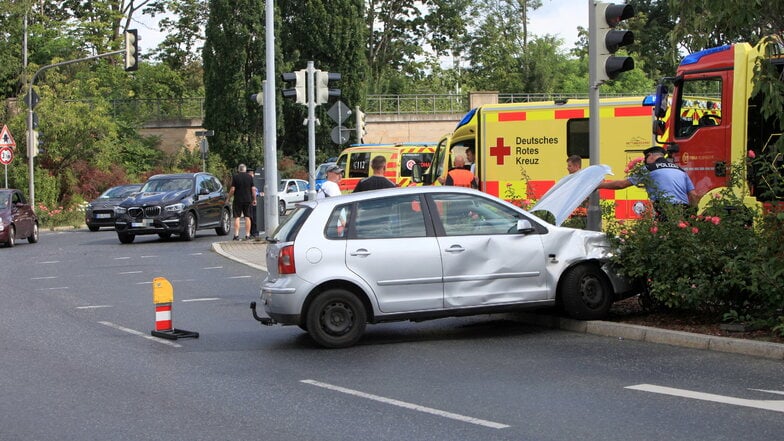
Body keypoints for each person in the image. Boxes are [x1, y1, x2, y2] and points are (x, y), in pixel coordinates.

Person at [597, 146, 698, 219]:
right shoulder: (680, 170)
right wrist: (692, 213)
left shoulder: (649, 168)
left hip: (665, 209)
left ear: (650, 156)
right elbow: (693, 195)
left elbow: (621, 184)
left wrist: (599, 185)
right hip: (684, 210)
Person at [228, 163, 257, 240]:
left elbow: (232, 189)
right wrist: (254, 199)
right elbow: (253, 189)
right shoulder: (250, 177)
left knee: (237, 217)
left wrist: (228, 198)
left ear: (238, 170)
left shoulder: (235, 177)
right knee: (247, 217)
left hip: (238, 200)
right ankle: (247, 235)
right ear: (245, 170)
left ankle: (236, 235)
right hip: (248, 200)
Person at [247, 168, 259, 238]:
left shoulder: (253, 181)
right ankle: (253, 232)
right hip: (252, 199)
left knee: (253, 217)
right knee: (252, 217)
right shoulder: (252, 181)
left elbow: (255, 190)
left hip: (252, 199)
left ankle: (254, 232)